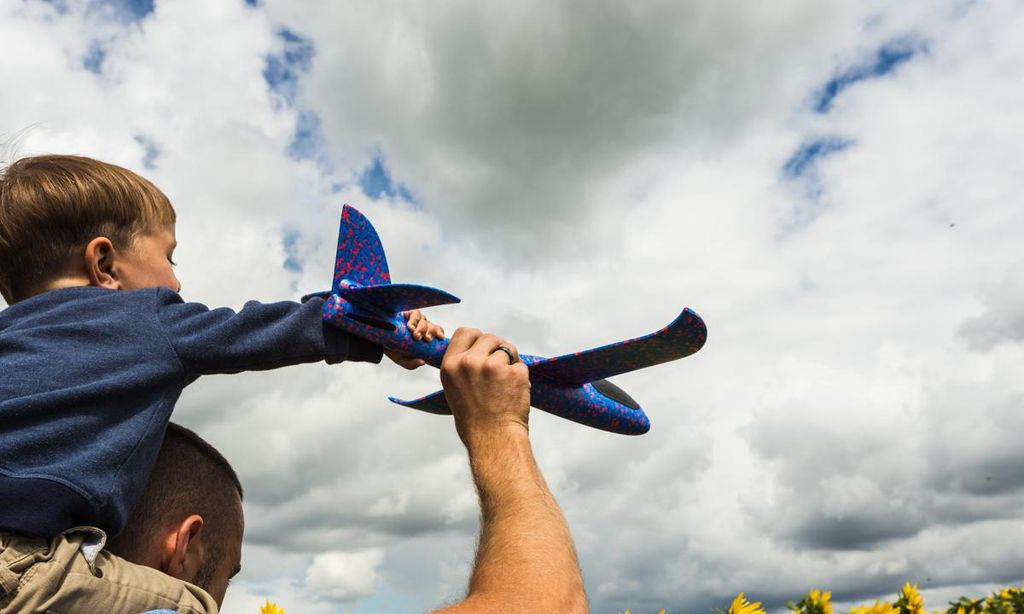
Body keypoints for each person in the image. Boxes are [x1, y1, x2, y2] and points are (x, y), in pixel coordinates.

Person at [0, 154, 443, 612]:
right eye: (169, 256)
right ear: (105, 264)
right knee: (190, 606)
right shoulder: (142, 318)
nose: (176, 281)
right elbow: (251, 333)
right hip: (23, 563)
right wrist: (362, 324)